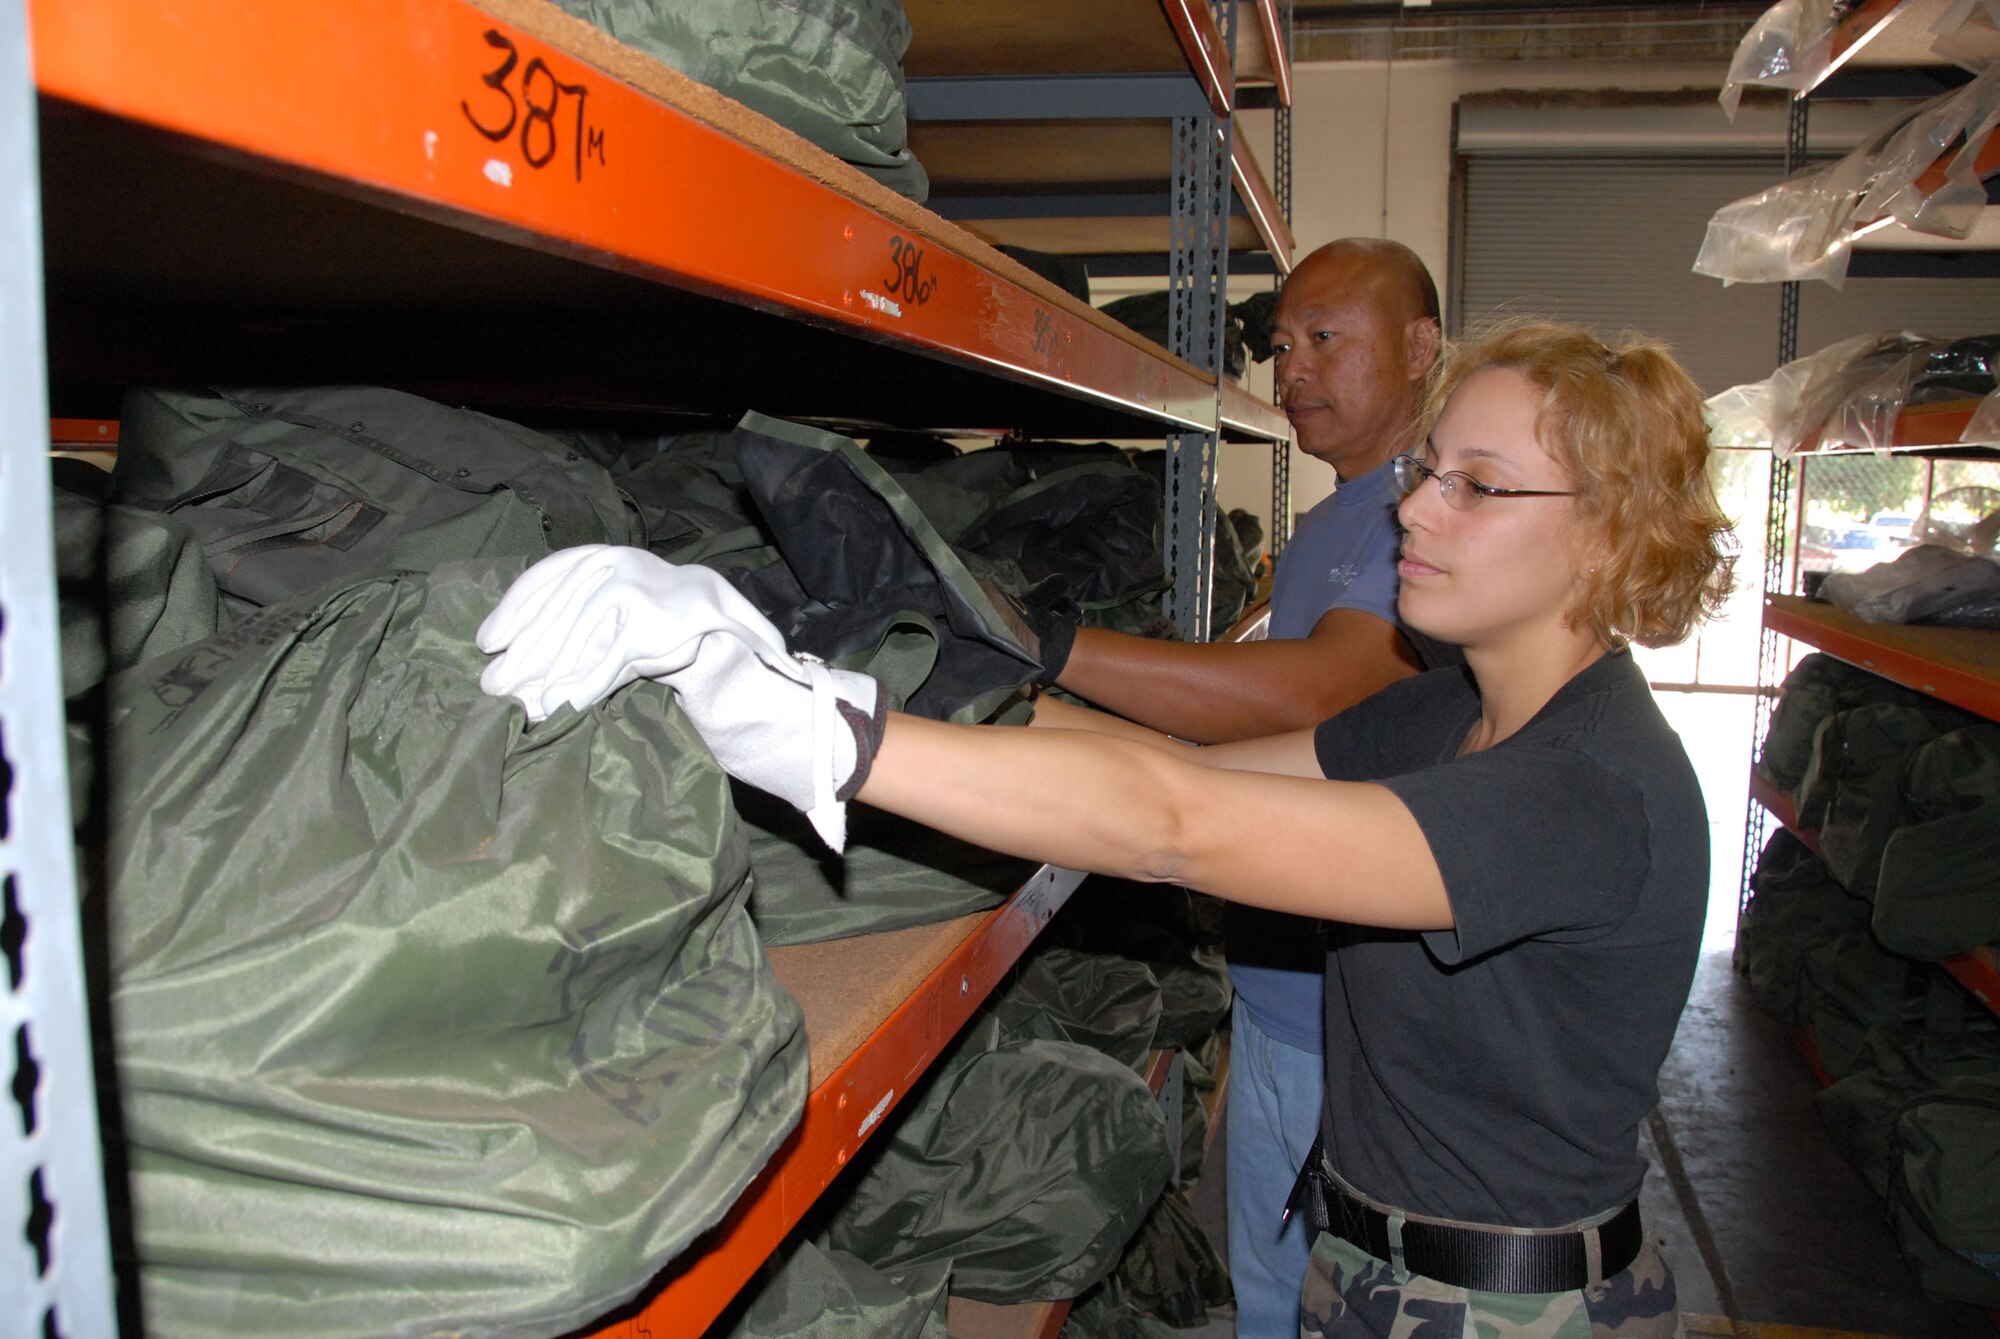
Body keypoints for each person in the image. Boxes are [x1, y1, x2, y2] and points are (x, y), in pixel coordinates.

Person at [478, 317, 1735, 1336]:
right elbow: (1184, 764)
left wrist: (817, 736)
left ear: (1608, 531)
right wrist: (883, 682)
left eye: (1479, 485)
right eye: (1427, 472)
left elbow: (1174, 827)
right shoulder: (1445, 715)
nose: (1414, 512)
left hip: (1504, 1309)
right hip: (1372, 1259)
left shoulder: (1583, 793)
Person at [1022, 237, 1443, 1338]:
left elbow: (1319, 695)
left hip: (1344, 1011)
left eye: (1325, 339)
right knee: (1272, 1287)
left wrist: (1050, 648)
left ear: (1418, 347)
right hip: (1281, 986)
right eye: (1283, 343)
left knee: (1326, 1299)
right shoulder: (1335, 519)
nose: (1289, 370)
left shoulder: (1421, 520)